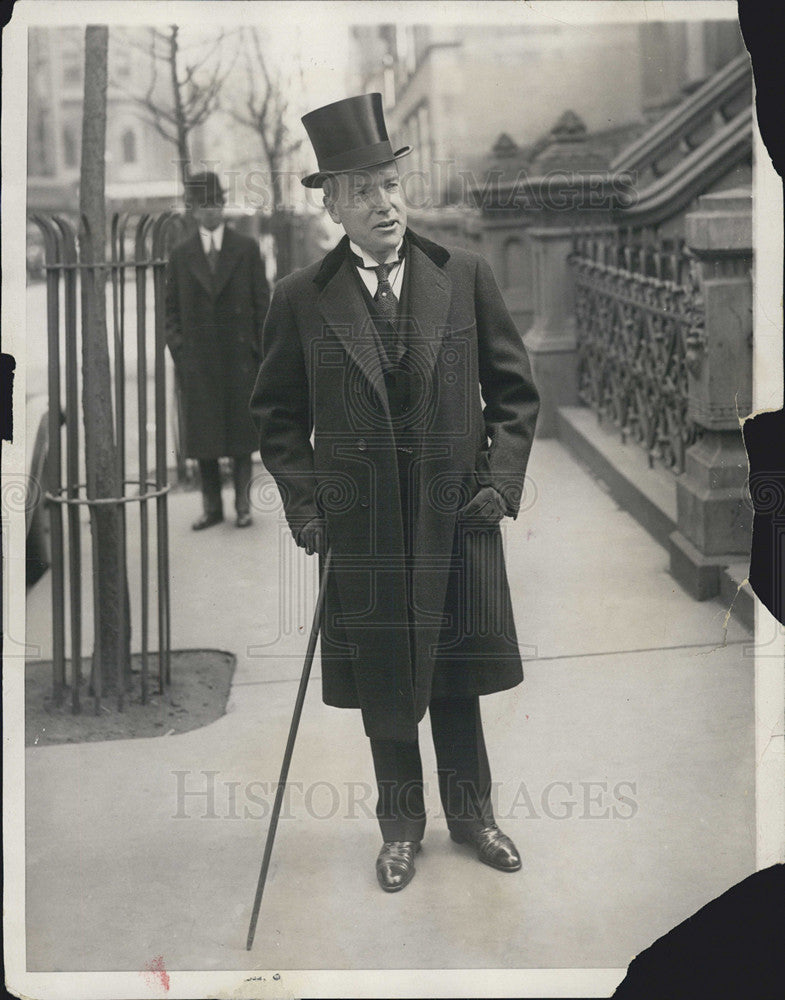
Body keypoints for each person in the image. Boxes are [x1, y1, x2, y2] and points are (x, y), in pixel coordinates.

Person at [250, 94, 539, 892]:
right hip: (365, 528)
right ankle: (399, 828)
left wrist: (499, 484)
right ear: (332, 203)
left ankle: (474, 816)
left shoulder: (463, 275)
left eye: (390, 185)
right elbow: (276, 417)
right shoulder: (300, 298)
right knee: (386, 676)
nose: (383, 204)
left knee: (454, 671)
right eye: (362, 190)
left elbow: (515, 395)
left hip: (454, 517)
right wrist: (307, 508)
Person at [166, 171, 270, 529]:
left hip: (239, 361)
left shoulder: (245, 248)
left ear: (223, 205)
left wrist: (257, 354)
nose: (210, 211)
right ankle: (212, 508)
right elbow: (171, 313)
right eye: (202, 205)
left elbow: (262, 305)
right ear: (193, 210)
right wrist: (183, 355)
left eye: (216, 203)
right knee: (204, 439)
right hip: (199, 363)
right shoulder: (181, 255)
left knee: (242, 439)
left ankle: (243, 506)